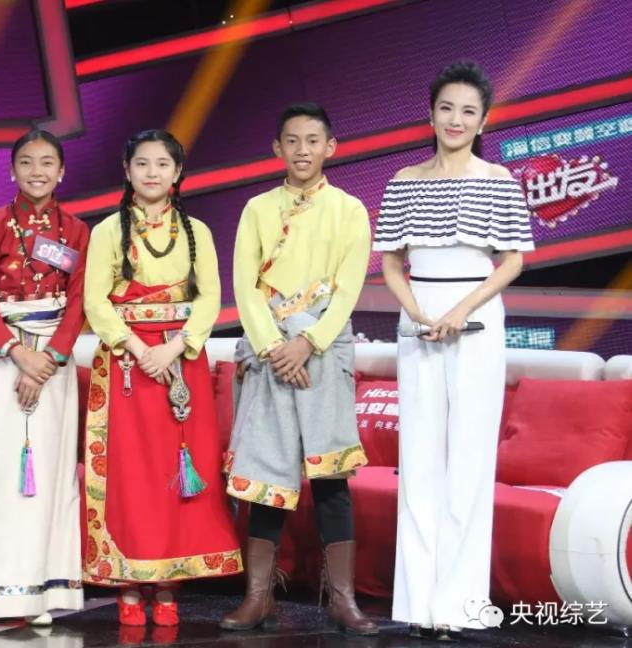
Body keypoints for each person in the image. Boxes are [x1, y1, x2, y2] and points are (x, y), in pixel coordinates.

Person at [374, 60, 533, 641]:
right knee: (419, 459)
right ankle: (418, 603)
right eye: (447, 108)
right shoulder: (404, 180)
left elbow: (512, 260)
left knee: (468, 458)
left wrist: (462, 310)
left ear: (483, 121)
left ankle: (459, 605)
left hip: (477, 319)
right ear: (431, 114)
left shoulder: (498, 179)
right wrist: (418, 312)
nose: (456, 120)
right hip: (418, 320)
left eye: (468, 111)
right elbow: (391, 262)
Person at [221, 103, 377, 636]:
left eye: (313, 140)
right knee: (268, 475)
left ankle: (343, 600)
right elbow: (244, 286)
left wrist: (308, 341)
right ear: (277, 148)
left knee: (330, 475)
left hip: (323, 350)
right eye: (292, 140)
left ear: (330, 147)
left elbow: (349, 287)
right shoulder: (257, 209)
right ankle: (258, 597)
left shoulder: (350, 210)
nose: (303, 150)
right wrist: (273, 347)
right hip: (269, 352)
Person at [82, 129, 242, 627]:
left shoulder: (198, 232)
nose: (152, 173)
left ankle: (170, 580)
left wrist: (173, 348)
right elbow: (95, 301)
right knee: (133, 473)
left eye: (163, 164)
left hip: (180, 361)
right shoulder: (107, 231)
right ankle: (129, 580)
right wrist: (139, 349)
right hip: (127, 364)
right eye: (142, 163)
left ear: (178, 172)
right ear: (126, 170)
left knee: (179, 473)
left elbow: (210, 298)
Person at [0, 129, 88, 626]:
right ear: (11, 170)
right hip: (0, 355)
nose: (37, 171)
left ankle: (39, 594)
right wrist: (17, 353)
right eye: (26, 162)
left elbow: (79, 302)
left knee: (46, 475)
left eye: (47, 162)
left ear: (61, 171)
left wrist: (48, 359)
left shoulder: (77, 231)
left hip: (53, 362)